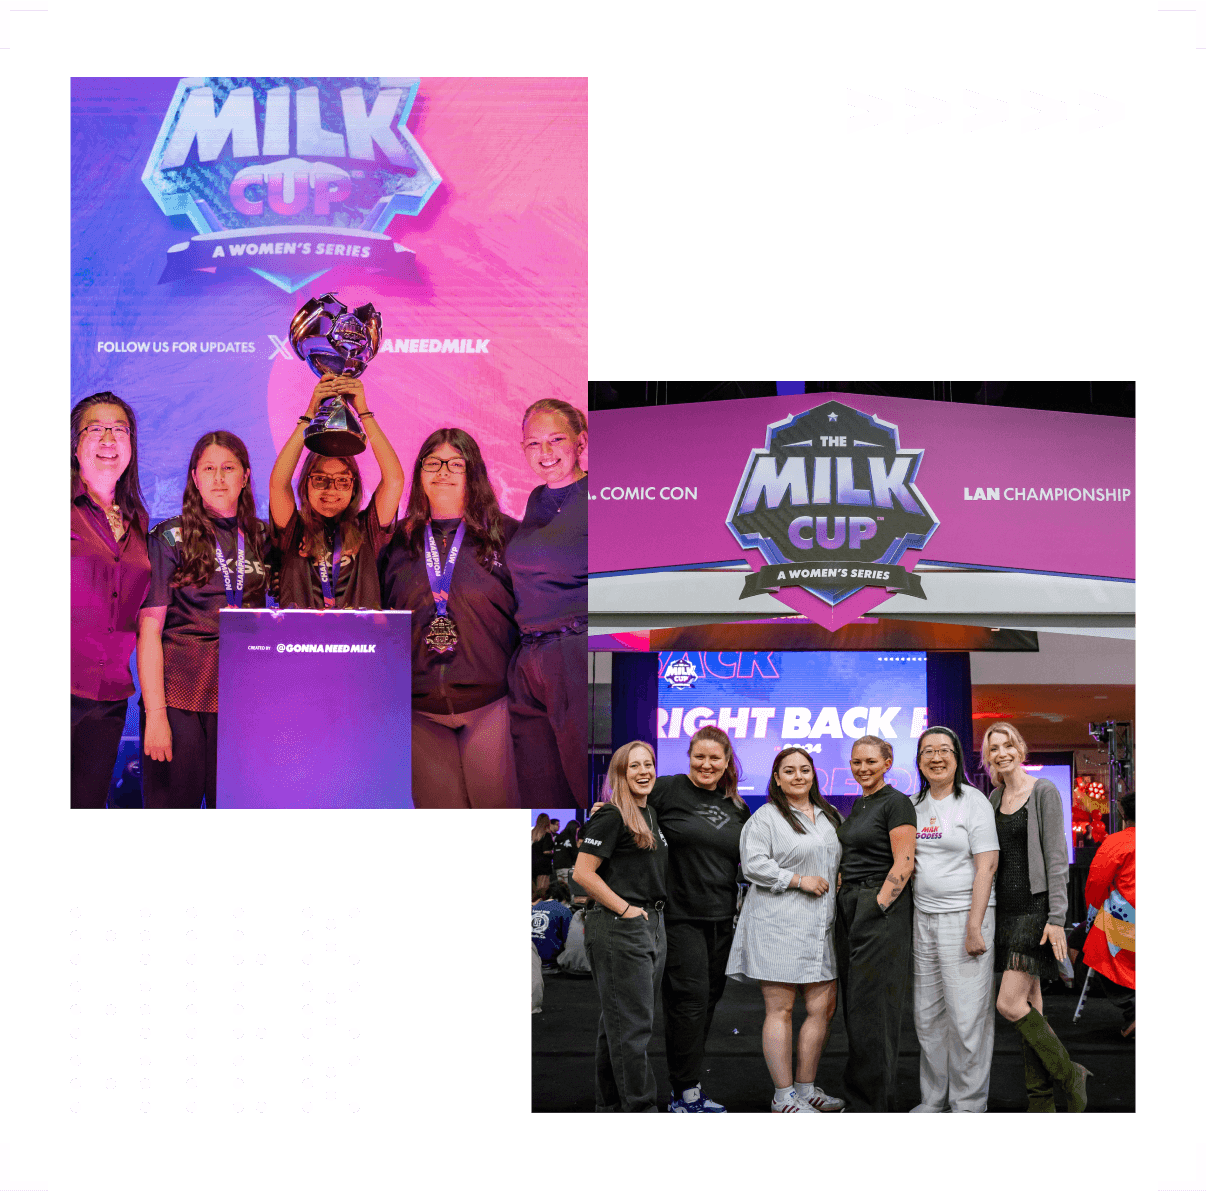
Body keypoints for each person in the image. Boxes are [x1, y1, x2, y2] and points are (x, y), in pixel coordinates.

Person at [378, 429, 520, 808]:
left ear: (473, 471)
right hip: (420, 712)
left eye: (456, 463)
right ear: (420, 471)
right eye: (433, 462)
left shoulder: (507, 536)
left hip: (491, 706)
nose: (443, 471)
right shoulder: (397, 542)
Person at [137, 431, 270, 809]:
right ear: (195, 477)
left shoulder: (262, 536)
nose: (219, 478)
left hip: (242, 698)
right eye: (209, 469)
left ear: (245, 475)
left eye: (228, 468)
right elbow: (149, 631)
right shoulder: (168, 537)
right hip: (179, 697)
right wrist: (157, 715)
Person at [726, 747, 847, 1113]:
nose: (798, 776)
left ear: (814, 775)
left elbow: (835, 857)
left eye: (805, 769)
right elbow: (753, 865)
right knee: (781, 1010)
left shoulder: (829, 816)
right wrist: (797, 879)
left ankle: (806, 1088)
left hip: (821, 926)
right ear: (776, 778)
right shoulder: (765, 818)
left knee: (821, 1008)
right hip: (778, 925)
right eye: (789, 770)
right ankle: (783, 1096)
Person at [984, 721, 1092, 1111]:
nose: (1002, 753)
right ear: (988, 757)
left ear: (1020, 748)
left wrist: (1057, 917)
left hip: (1036, 908)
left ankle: (1070, 1074)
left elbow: (1057, 857)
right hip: (1006, 912)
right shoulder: (994, 798)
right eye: (994, 748)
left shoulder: (1043, 790)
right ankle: (1041, 1100)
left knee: (1008, 1004)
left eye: (1007, 744)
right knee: (1031, 1003)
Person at [645, 725, 751, 1113]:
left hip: (722, 919)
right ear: (689, 756)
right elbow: (627, 808)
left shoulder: (737, 807)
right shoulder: (668, 789)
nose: (706, 764)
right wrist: (605, 810)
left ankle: (686, 1085)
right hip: (679, 916)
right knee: (688, 1002)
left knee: (707, 1002)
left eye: (714, 758)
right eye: (699, 757)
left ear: (726, 763)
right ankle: (685, 1092)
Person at [572, 741, 669, 1112]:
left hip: (649, 924)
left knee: (618, 1022)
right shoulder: (612, 816)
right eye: (634, 767)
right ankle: (641, 1106)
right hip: (620, 926)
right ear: (620, 774)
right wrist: (627, 910)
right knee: (632, 1028)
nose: (644, 772)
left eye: (648, 764)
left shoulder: (650, 814)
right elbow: (583, 873)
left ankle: (611, 1105)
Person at [908, 727, 999, 1112]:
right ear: (919, 760)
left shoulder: (973, 801)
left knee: (967, 1019)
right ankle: (933, 1100)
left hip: (966, 917)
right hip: (923, 918)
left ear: (957, 757)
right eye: (928, 751)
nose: (936, 757)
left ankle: (967, 1103)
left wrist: (974, 926)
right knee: (927, 1017)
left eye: (945, 750)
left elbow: (987, 864)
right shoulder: (913, 804)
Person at [70, 393, 153, 809]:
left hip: (108, 698)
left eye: (119, 429)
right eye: (96, 428)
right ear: (75, 442)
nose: (109, 438)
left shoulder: (138, 519)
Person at [507, 400, 588, 809]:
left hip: (572, 649)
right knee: (541, 793)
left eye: (556, 440)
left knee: (583, 784)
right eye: (533, 443)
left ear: (580, 442)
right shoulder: (537, 498)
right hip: (529, 658)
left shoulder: (600, 496)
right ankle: (550, 870)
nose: (545, 452)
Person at [268, 373, 404, 609]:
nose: (331, 490)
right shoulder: (292, 529)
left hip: (359, 644)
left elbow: (394, 479)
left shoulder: (367, 529)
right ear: (305, 484)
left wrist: (363, 412)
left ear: (354, 487)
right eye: (320, 479)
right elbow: (279, 482)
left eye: (342, 480)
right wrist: (310, 413)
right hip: (300, 644)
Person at [833, 735, 918, 1113]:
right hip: (852, 906)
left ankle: (872, 1104)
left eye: (870, 761)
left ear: (888, 762)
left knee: (875, 1013)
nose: (862, 768)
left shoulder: (897, 802)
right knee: (857, 1010)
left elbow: (904, 862)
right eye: (856, 762)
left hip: (878, 908)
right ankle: (860, 1098)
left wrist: (877, 905)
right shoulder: (860, 803)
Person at [1081, 790, 1135, 1038]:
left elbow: (1096, 884)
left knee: (1096, 949)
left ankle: (1132, 1010)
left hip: (1127, 925)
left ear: (1122, 814)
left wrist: (1091, 917)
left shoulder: (1116, 842)